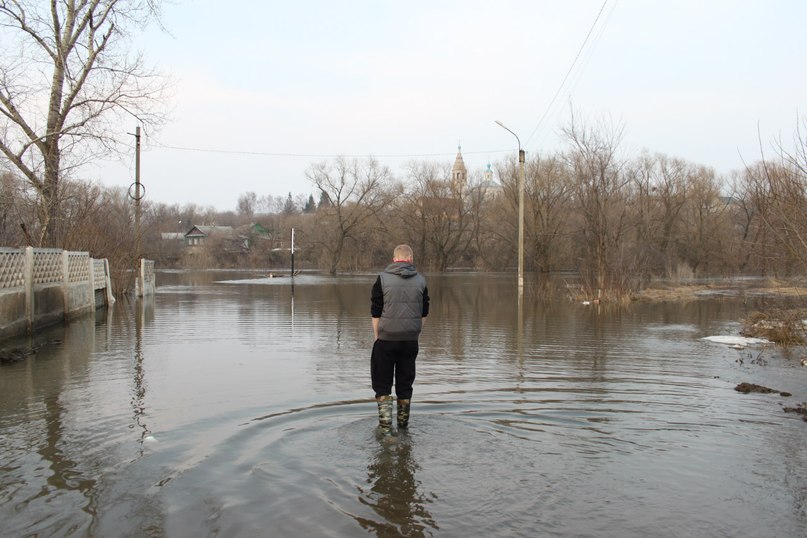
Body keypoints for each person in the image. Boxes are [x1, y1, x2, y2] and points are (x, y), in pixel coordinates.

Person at [370, 244, 429, 431]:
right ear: (410, 259)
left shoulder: (382, 279)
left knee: (382, 385)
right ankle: (403, 428)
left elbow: (376, 311)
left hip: (386, 340)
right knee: (405, 385)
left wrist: (377, 336)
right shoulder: (421, 280)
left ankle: (386, 430)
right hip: (410, 341)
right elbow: (424, 312)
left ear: (394, 259)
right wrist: (415, 332)